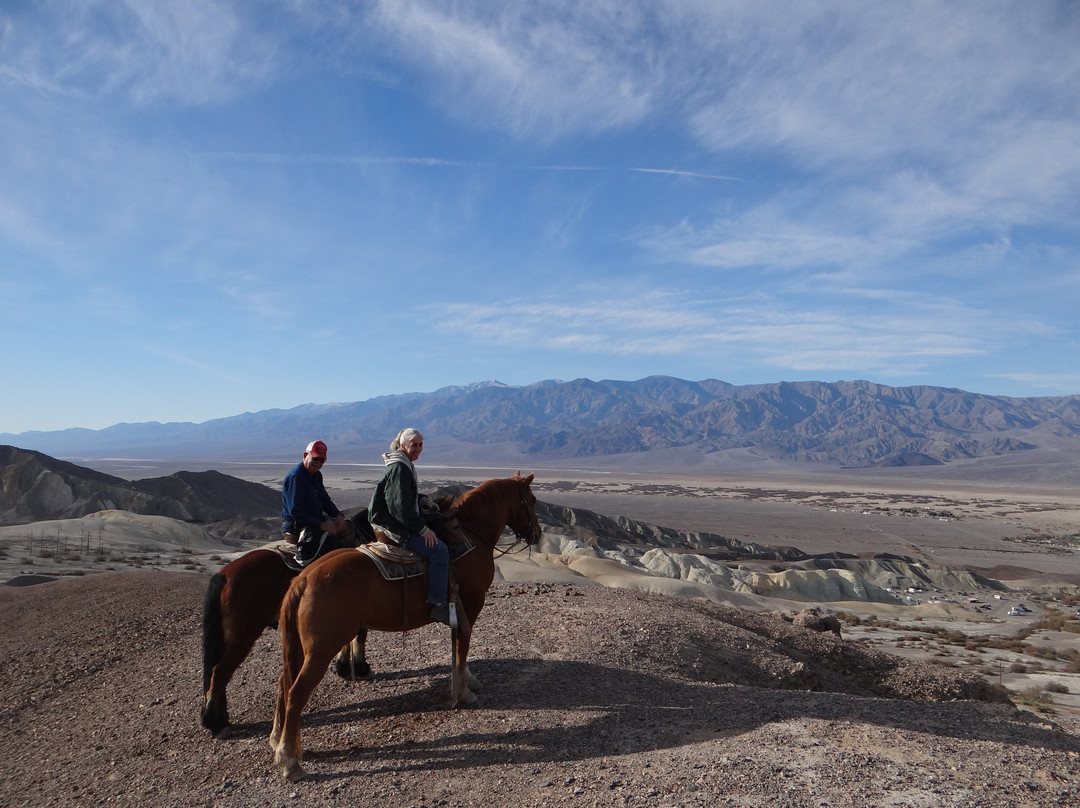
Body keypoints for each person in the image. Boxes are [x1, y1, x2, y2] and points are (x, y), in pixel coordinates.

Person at [368, 428, 451, 625]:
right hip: (391, 525)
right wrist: (423, 529)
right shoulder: (399, 467)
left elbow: (405, 497)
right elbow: (399, 509)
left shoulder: (404, 464)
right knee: (439, 551)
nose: (418, 449)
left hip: (394, 519)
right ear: (403, 446)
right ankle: (438, 605)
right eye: (414, 445)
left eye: (421, 444)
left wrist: (423, 501)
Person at [281, 439, 348, 566]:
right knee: (337, 550)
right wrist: (321, 525)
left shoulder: (317, 475)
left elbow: (325, 500)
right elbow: (296, 511)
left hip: (314, 523)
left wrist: (338, 515)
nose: (318, 463)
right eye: (315, 458)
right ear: (306, 456)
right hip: (297, 526)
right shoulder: (296, 477)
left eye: (322, 460)